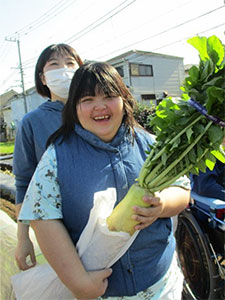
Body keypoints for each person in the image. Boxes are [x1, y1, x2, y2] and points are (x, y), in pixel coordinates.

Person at [18, 62, 190, 299]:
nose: (99, 106)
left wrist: (162, 205)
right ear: (74, 107)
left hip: (161, 284)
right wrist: (79, 282)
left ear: (124, 99)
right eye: (87, 100)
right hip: (100, 291)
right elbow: (42, 218)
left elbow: (182, 188)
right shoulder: (57, 156)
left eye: (109, 96)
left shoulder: (148, 143)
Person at [13, 43, 83, 271]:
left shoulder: (96, 112)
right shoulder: (31, 122)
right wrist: (24, 239)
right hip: (56, 230)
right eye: (54, 64)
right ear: (43, 78)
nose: (64, 70)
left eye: (71, 64)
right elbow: (25, 182)